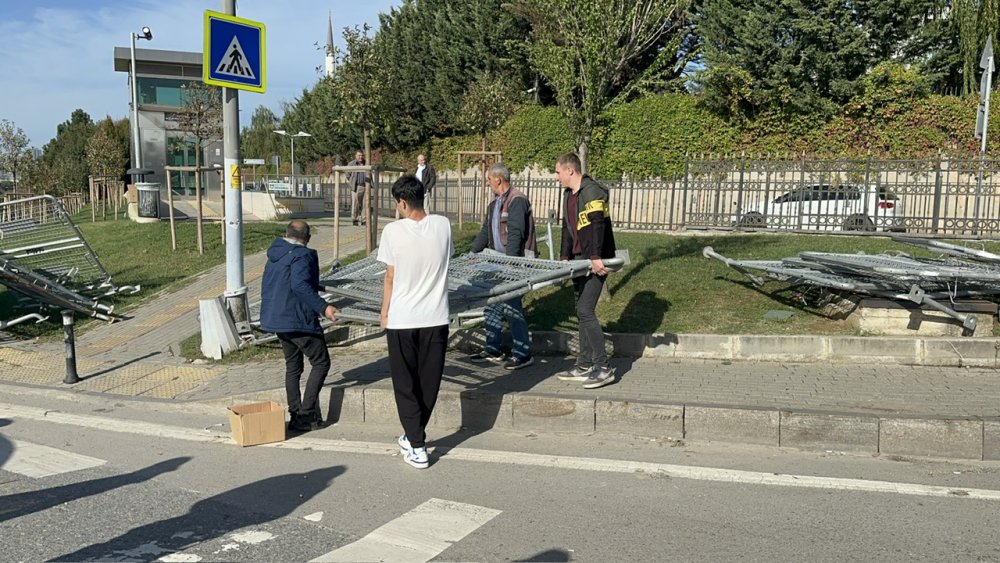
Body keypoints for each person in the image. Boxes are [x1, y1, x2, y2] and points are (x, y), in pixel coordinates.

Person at [377, 175, 453, 469]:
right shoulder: (444, 226)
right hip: (436, 317)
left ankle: (418, 445)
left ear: (403, 202)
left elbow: (390, 277)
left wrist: (384, 314)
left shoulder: (392, 232)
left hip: (402, 318)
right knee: (429, 381)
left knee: (405, 383)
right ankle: (413, 435)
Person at [259, 220, 338, 431]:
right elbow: (300, 285)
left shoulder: (275, 255)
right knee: (321, 362)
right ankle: (305, 414)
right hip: (297, 318)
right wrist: (324, 307)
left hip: (277, 319)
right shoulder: (302, 255)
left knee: (293, 367)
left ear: (285, 234)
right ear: (308, 239)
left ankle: (295, 413)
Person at [553, 152, 618, 390]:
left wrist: (596, 257)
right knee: (581, 309)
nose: (556, 176)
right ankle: (584, 364)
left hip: (596, 258)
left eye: (558, 172)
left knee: (585, 309)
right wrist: (563, 256)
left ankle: (603, 367)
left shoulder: (592, 190)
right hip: (579, 260)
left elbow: (598, 224)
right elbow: (567, 229)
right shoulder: (568, 195)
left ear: (570, 170)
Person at [467, 163, 537, 370]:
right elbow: (485, 233)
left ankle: (523, 354)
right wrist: (473, 253)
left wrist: (511, 262)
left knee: (512, 305)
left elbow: (515, 234)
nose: (487, 183)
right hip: (495, 262)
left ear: (498, 179)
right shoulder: (494, 204)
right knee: (491, 304)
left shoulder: (517, 201)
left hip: (514, 263)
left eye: (489, 179)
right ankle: (493, 348)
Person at [349, 150, 369, 226]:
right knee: (355, 204)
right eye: (359, 155)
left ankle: (364, 220)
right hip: (356, 186)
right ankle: (355, 219)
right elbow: (347, 174)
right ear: (355, 156)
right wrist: (351, 181)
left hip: (365, 186)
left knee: (365, 204)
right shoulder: (352, 164)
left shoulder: (366, 163)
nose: (360, 157)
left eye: (361, 155)